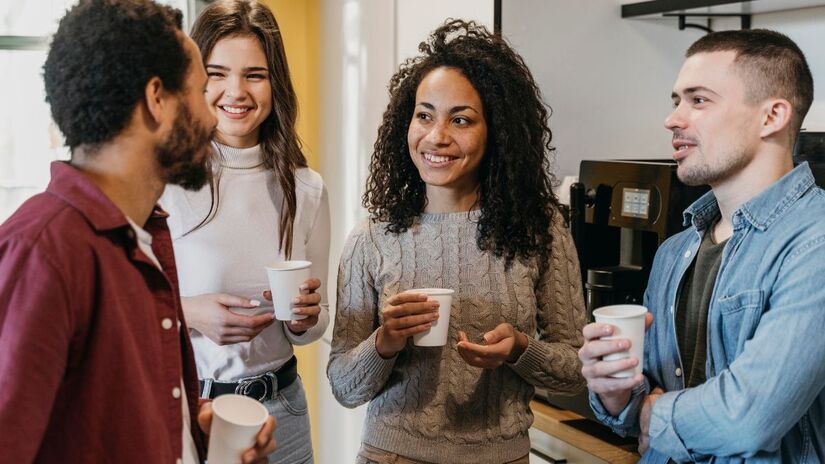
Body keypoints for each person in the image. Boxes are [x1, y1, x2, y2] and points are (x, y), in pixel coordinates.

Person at [0, 0, 277, 463]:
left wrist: (189, 431)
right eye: (200, 89)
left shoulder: (145, 234)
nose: (211, 118)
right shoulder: (41, 251)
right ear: (156, 99)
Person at [327, 20, 586, 464]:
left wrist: (522, 349)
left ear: (496, 131)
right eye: (424, 115)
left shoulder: (539, 229)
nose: (436, 136)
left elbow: (576, 372)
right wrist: (385, 341)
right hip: (392, 455)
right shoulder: (372, 238)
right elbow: (344, 388)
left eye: (461, 119)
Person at [580, 29, 825, 463]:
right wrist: (615, 390)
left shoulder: (815, 243)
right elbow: (644, 400)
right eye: (676, 100)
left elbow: (749, 417)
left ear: (772, 116)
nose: (673, 119)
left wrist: (654, 416)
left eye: (699, 100)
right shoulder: (675, 250)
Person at [160, 1, 329, 463]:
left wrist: (303, 319)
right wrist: (192, 313)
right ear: (194, 81)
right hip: (197, 413)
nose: (236, 91)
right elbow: (125, 304)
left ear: (275, 84)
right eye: (217, 73)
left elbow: (312, 329)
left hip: (285, 411)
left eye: (255, 74)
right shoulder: (163, 180)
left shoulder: (306, 188)